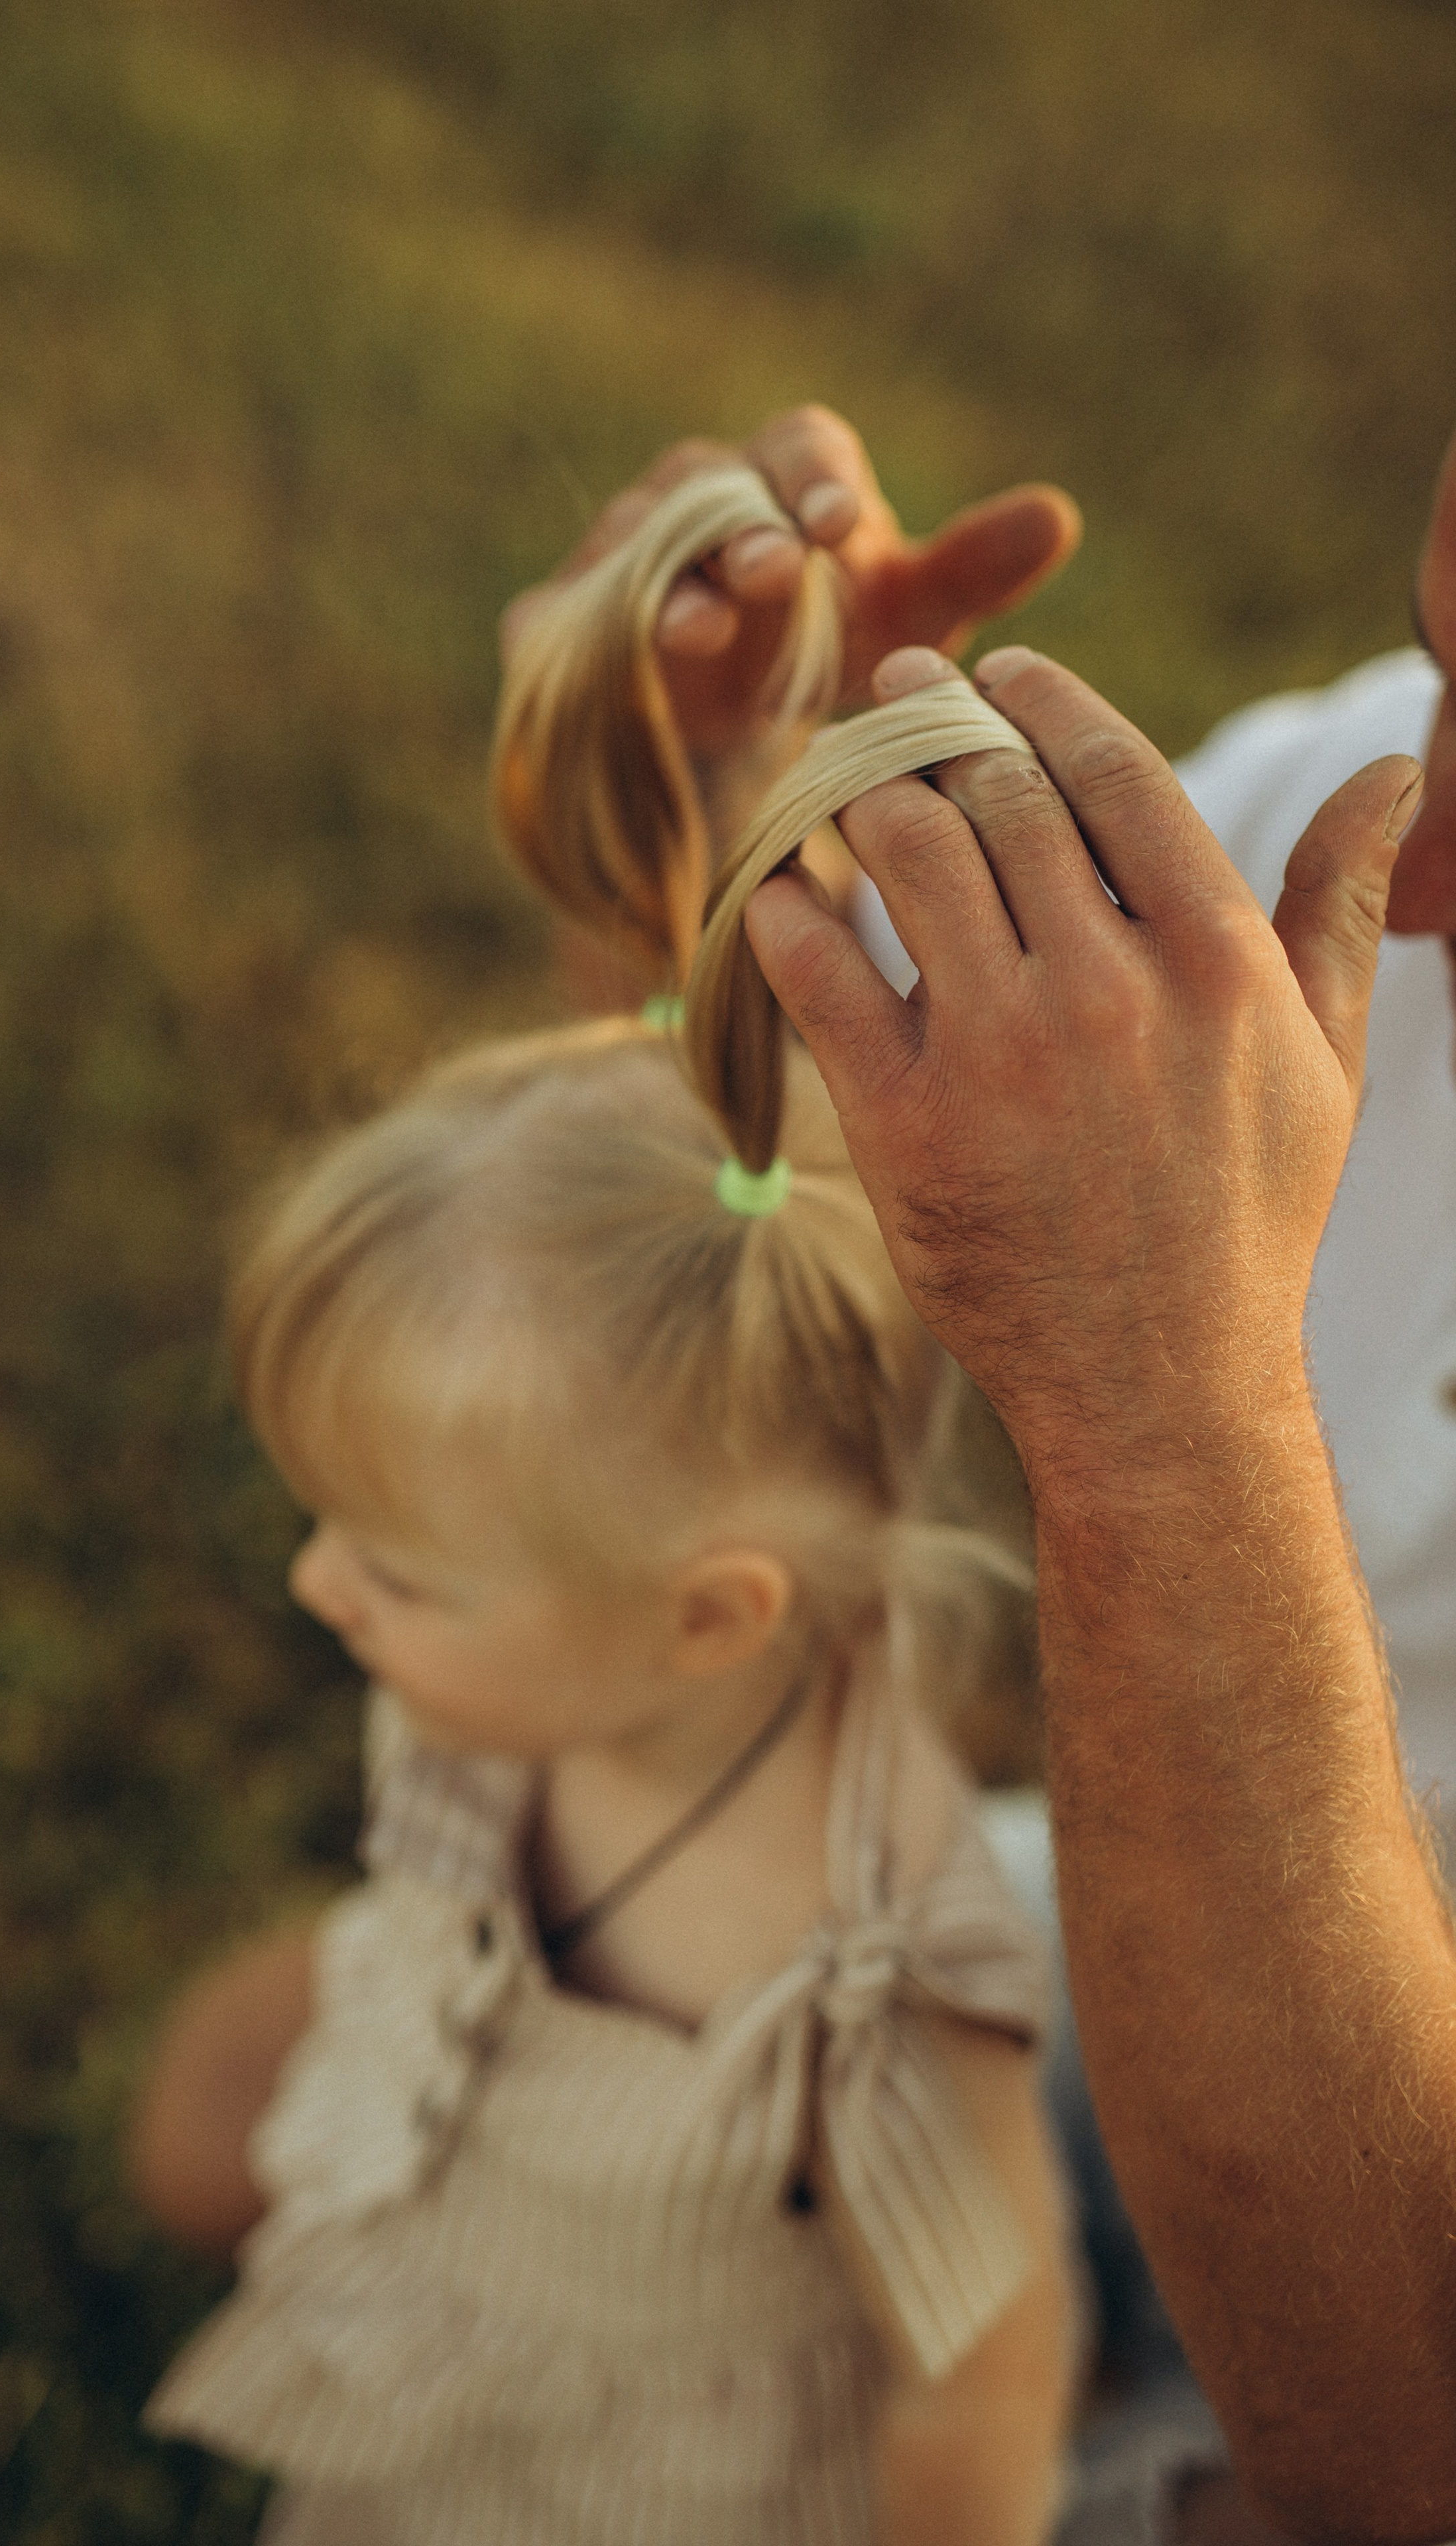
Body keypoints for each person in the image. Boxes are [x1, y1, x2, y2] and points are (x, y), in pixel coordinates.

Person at [532, 405, 1456, 2535]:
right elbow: (751, 1240)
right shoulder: (1365, 793)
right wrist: (680, 863)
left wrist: (1169, 1412)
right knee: (280, 2110)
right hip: (1267, 1914)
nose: (1433, 849)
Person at [131, 1000, 1078, 2543]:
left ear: (704, 1615)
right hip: (450, 2369)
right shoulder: (523, 1685)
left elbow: (977, 2374)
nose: (318, 1586)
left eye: (396, 1570)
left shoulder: (862, 1983)